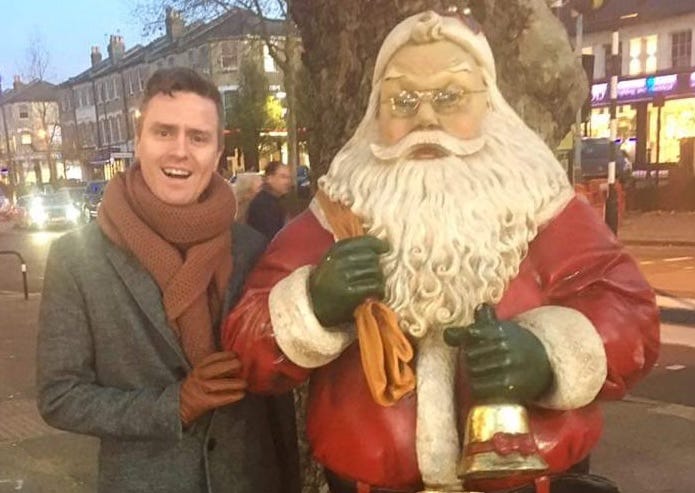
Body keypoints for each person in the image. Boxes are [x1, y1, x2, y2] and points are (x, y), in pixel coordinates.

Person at [222, 10, 659, 493]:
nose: (426, 117)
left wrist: (548, 356)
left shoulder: (542, 206)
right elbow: (247, 341)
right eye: (402, 99)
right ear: (377, 109)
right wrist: (311, 305)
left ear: (488, 102)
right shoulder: (336, 216)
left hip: (530, 481)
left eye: (451, 96)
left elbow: (630, 311)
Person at [36, 67, 295, 493]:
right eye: (163, 132)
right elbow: (59, 396)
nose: (180, 150)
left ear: (217, 152)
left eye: (197, 137)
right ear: (139, 141)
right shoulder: (77, 258)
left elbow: (276, 401)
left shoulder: (251, 248)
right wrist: (172, 406)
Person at [246, 160, 292, 240]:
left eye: (288, 177)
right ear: (269, 178)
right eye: (283, 177)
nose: (287, 181)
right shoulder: (263, 205)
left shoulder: (277, 201)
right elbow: (272, 237)